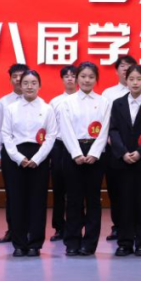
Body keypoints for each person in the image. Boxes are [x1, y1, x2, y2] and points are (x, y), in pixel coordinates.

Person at [55, 62, 113, 257]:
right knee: (73, 199)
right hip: (73, 152)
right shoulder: (67, 102)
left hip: (96, 153)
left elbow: (105, 129)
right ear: (77, 78)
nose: (87, 80)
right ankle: (72, 241)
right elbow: (65, 129)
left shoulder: (104, 102)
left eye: (91, 77)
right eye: (83, 76)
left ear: (96, 79)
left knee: (93, 199)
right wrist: (77, 153)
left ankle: (89, 243)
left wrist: (95, 153)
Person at [1, 70, 57, 257]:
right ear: (20, 85)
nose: (29, 86)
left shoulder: (47, 109)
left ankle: (35, 244)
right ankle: (19, 243)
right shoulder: (11, 108)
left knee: (37, 201)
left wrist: (37, 159)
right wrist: (18, 157)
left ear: (39, 86)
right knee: (17, 201)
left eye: (33, 83)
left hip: (39, 157)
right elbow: (6, 135)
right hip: (15, 157)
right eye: (25, 83)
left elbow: (51, 136)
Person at [107, 64, 141, 257]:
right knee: (123, 203)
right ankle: (124, 242)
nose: (135, 83)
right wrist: (123, 153)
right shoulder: (117, 103)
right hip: (122, 162)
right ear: (125, 81)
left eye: (139, 79)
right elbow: (113, 130)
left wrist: (139, 153)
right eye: (131, 79)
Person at [101, 54, 137, 241]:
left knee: (135, 192)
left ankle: (134, 226)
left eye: (130, 66)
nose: (126, 69)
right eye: (122, 66)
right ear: (116, 71)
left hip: (137, 152)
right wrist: (115, 145)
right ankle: (117, 226)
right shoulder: (108, 94)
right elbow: (104, 122)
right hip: (113, 150)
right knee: (115, 190)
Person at [0, 63, 29, 243]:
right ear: (10, 80)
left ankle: (28, 230)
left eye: (21, 76)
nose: (18, 79)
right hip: (9, 150)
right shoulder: (4, 102)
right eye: (14, 76)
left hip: (30, 152)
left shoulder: (36, 101)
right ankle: (12, 230)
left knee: (29, 193)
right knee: (12, 194)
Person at [47, 64, 79, 241]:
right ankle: (59, 227)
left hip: (79, 146)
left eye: (73, 75)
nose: (70, 79)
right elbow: (50, 128)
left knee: (76, 189)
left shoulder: (84, 100)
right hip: (59, 147)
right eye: (66, 76)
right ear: (62, 79)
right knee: (59, 189)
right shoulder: (55, 102)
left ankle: (76, 225)